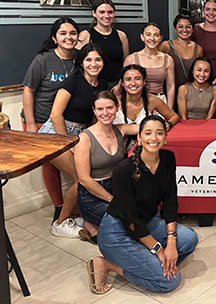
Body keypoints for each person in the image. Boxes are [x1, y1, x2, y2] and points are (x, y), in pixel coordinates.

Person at [91, 115, 198, 294]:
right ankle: (107, 264)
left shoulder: (168, 158)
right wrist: (157, 249)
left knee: (189, 239)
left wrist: (171, 242)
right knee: (169, 282)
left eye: (159, 133)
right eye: (148, 133)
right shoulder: (123, 170)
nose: (153, 138)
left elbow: (171, 199)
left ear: (165, 138)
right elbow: (131, 220)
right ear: (139, 138)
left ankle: (151, 262)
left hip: (147, 221)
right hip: (118, 231)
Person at [38, 43, 108, 238]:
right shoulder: (73, 82)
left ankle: (76, 215)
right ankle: (59, 223)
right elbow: (56, 115)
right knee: (82, 179)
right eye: (88, 59)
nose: (93, 64)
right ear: (81, 62)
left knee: (88, 177)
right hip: (55, 135)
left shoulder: (101, 85)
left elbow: (95, 117)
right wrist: (69, 143)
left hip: (80, 134)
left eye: (98, 59)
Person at [22, 17, 79, 223]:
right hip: (39, 119)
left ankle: (73, 206)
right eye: (63, 33)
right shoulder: (43, 60)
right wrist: (30, 123)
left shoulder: (80, 59)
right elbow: (28, 90)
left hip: (64, 120)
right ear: (55, 38)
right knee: (50, 165)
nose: (68, 37)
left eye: (72, 33)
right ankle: (59, 207)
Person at [74, 91, 138, 244]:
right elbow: (84, 179)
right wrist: (112, 200)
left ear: (117, 108)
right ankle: (89, 223)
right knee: (126, 222)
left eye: (109, 108)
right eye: (100, 109)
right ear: (94, 111)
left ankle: (95, 226)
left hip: (117, 186)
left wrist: (163, 127)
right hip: (93, 194)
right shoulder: (84, 138)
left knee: (144, 212)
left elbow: (148, 127)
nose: (105, 113)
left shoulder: (120, 129)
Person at [77, 0, 129, 87]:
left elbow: (126, 64)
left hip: (117, 85)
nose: (107, 16)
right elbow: (79, 64)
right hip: (94, 85)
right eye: (102, 12)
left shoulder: (121, 36)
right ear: (94, 13)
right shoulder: (86, 35)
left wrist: (120, 84)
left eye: (110, 12)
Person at [123, 23, 176, 108]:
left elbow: (170, 86)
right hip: (137, 101)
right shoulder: (131, 59)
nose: (152, 38)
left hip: (160, 100)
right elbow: (124, 84)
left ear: (160, 38)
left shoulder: (168, 59)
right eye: (148, 35)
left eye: (156, 35)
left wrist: (169, 109)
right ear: (142, 37)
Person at [114, 64, 180, 129]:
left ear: (144, 82)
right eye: (128, 79)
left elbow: (174, 116)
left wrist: (168, 124)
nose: (133, 83)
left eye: (137, 79)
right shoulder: (114, 101)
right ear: (122, 83)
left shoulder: (152, 100)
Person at [159, 10, 203, 90]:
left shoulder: (198, 49)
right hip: (170, 91)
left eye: (188, 27)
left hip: (191, 93)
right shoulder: (166, 46)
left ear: (193, 29)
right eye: (180, 26)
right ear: (175, 28)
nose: (184, 30)